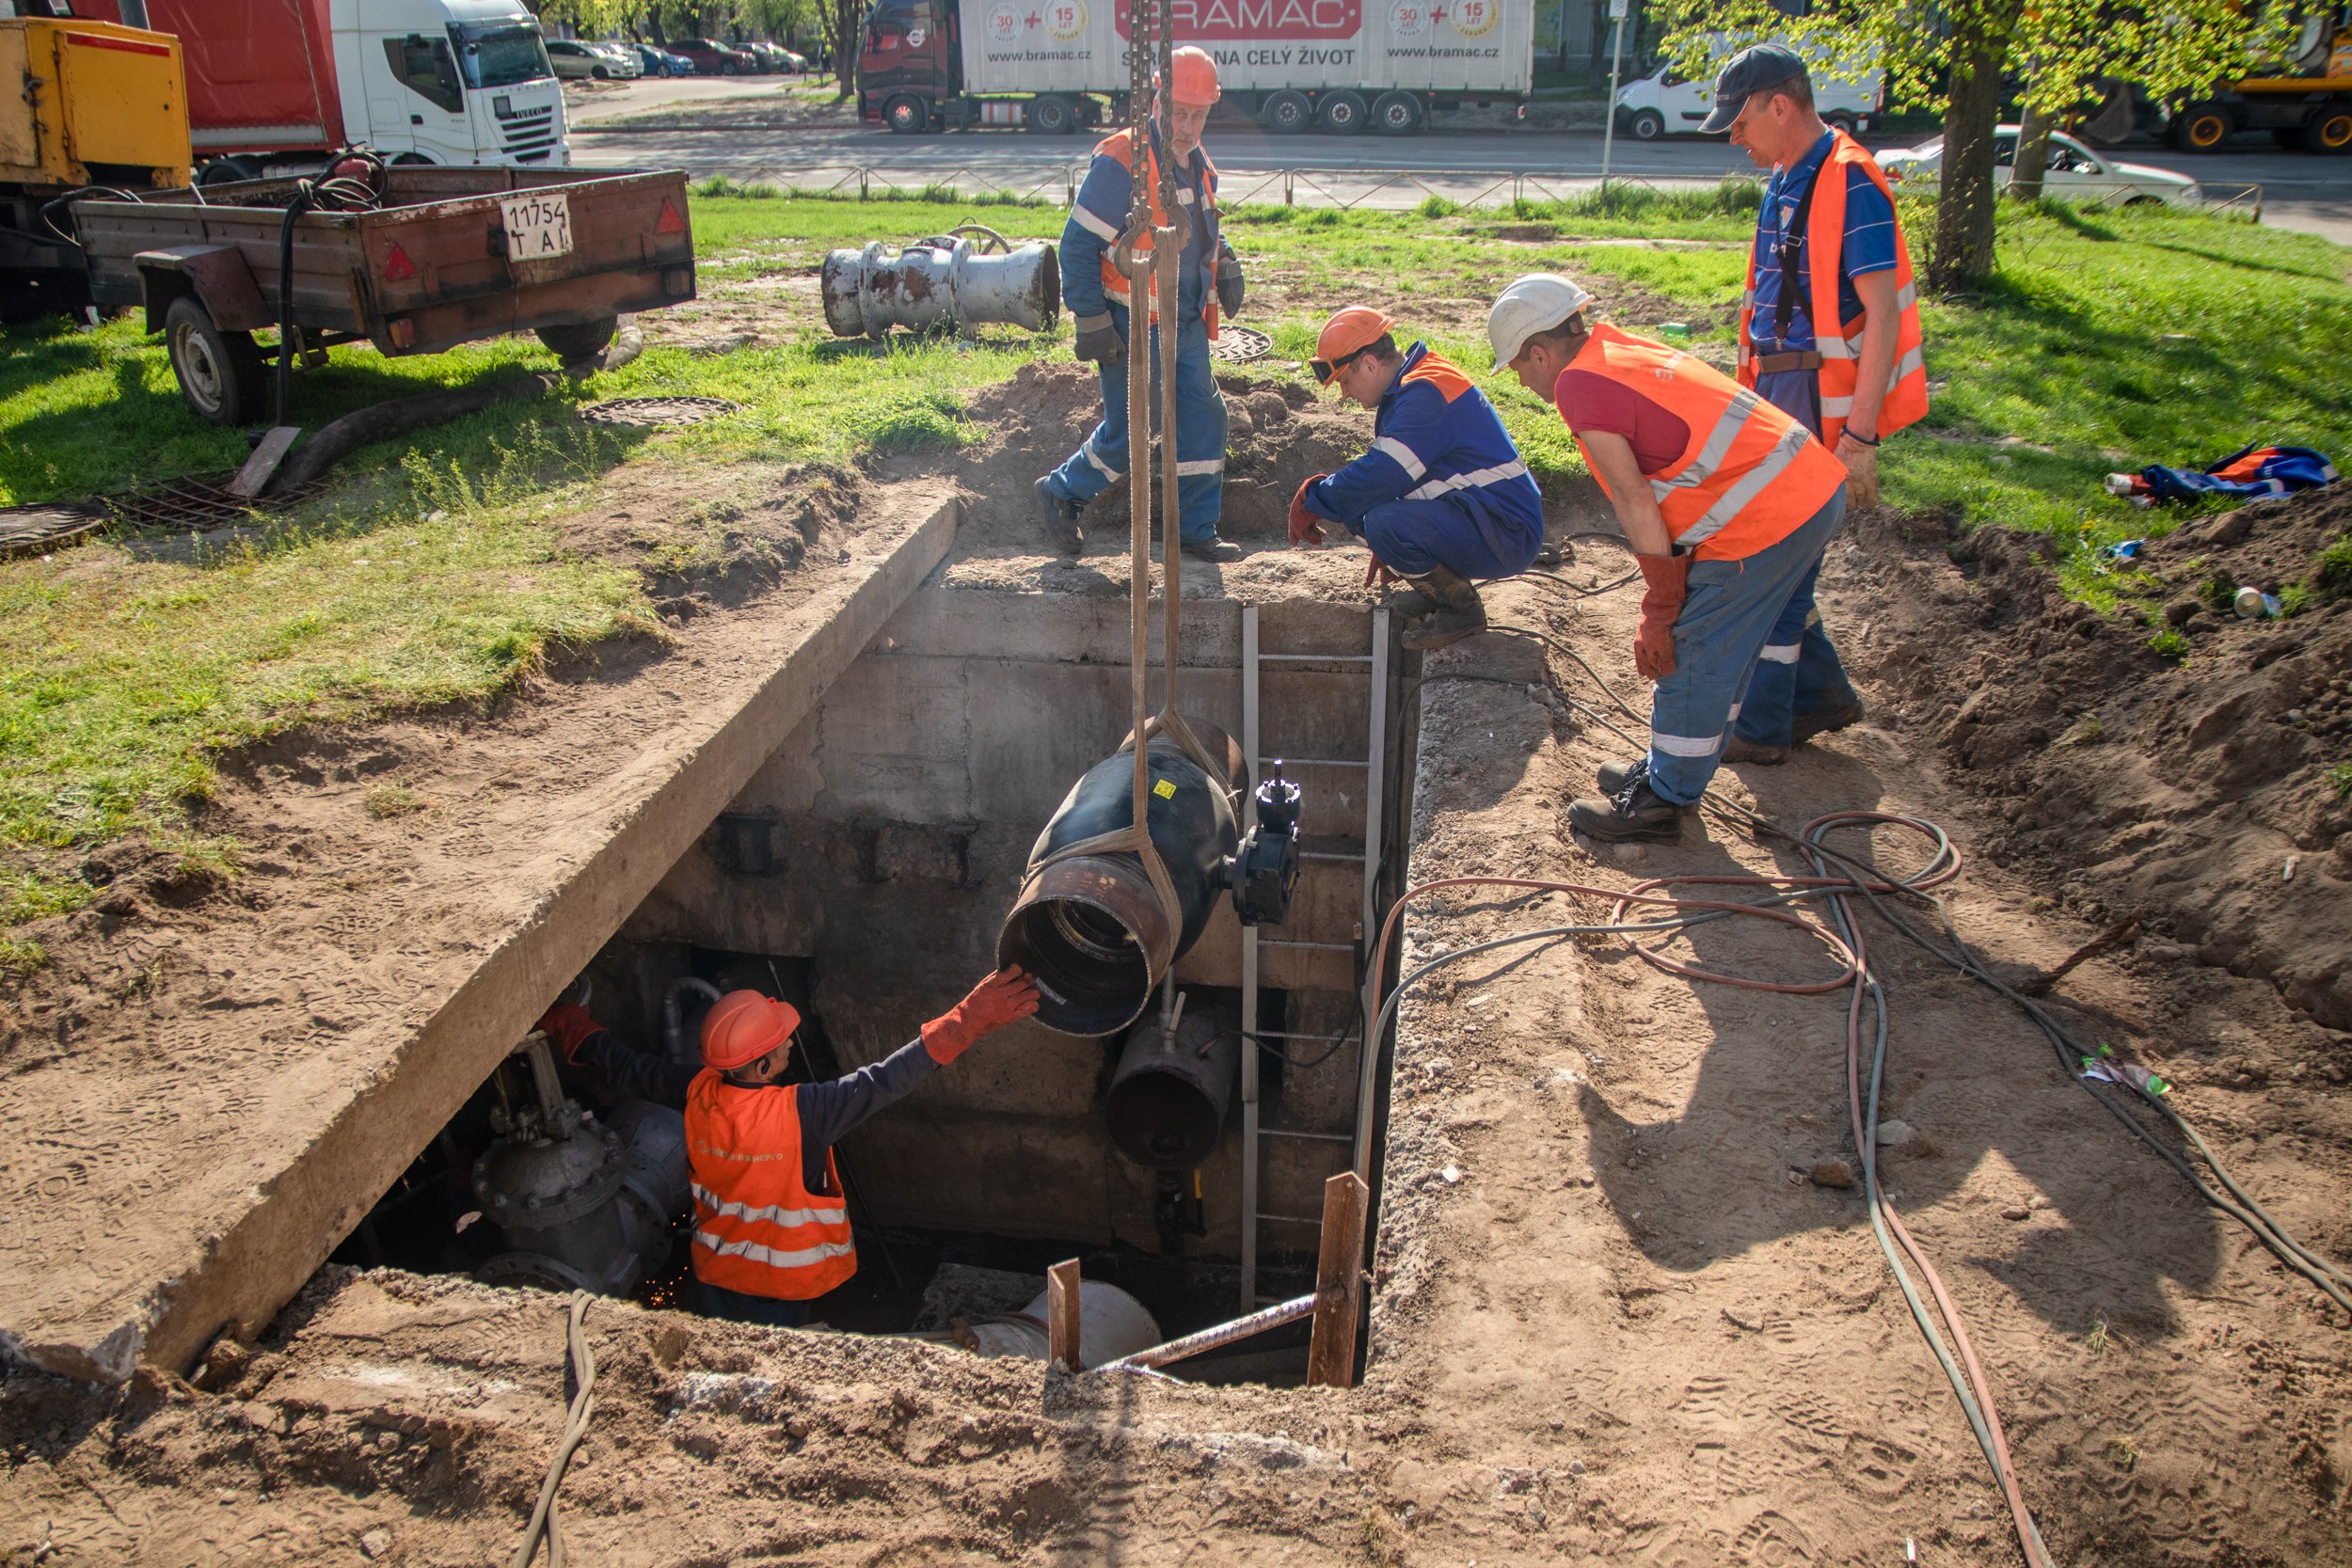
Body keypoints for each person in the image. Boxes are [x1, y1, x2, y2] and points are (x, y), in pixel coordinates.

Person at [1489, 272, 1849, 843]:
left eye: (1516, 365)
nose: (1520, 378)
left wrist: (1662, 603)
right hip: (1812, 487)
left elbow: (1635, 497)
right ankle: (1814, 701)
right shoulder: (1617, 348)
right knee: (1777, 620)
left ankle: (1665, 798)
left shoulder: (1578, 385)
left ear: (1538, 352)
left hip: (1765, 517)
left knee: (1695, 647)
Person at [533, 966, 1039, 1325]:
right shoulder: (804, 1113)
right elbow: (888, 1079)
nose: (790, 1043)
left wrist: (564, 1019)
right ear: (761, 1067)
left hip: (713, 1276)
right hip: (781, 1288)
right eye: (781, 1042)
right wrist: (967, 1019)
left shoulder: (694, 1092)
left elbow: (618, 1062)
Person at [1706, 41, 1927, 765]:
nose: (1732, 139)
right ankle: (1822, 692)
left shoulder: (1848, 179)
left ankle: (1763, 726)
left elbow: (1882, 314)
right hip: (1780, 389)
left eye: (1737, 123)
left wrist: (1859, 439)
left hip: (1813, 397)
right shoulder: (1788, 177)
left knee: (1775, 562)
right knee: (1785, 556)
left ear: (1779, 104)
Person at [1036, 44, 1245, 563]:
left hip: (1184, 319)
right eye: (1179, 112)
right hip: (1131, 320)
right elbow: (1078, 246)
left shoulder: (1196, 164)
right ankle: (1062, 492)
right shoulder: (1122, 162)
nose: (1188, 125)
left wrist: (1228, 263)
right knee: (1130, 431)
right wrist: (1091, 319)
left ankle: (1195, 528)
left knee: (1203, 417)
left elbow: (1199, 232)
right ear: (1156, 101)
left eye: (1197, 114)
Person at [1286, 307, 1544, 650]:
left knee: (1382, 521)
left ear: (1369, 364)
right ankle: (1442, 591)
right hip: (1486, 517)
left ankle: (1461, 610)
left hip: (1508, 532)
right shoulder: (1414, 385)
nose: (1345, 395)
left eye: (1345, 381)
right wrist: (1394, 547)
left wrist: (1314, 498)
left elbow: (1382, 474)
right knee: (1370, 516)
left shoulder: (1425, 394)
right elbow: (1398, 479)